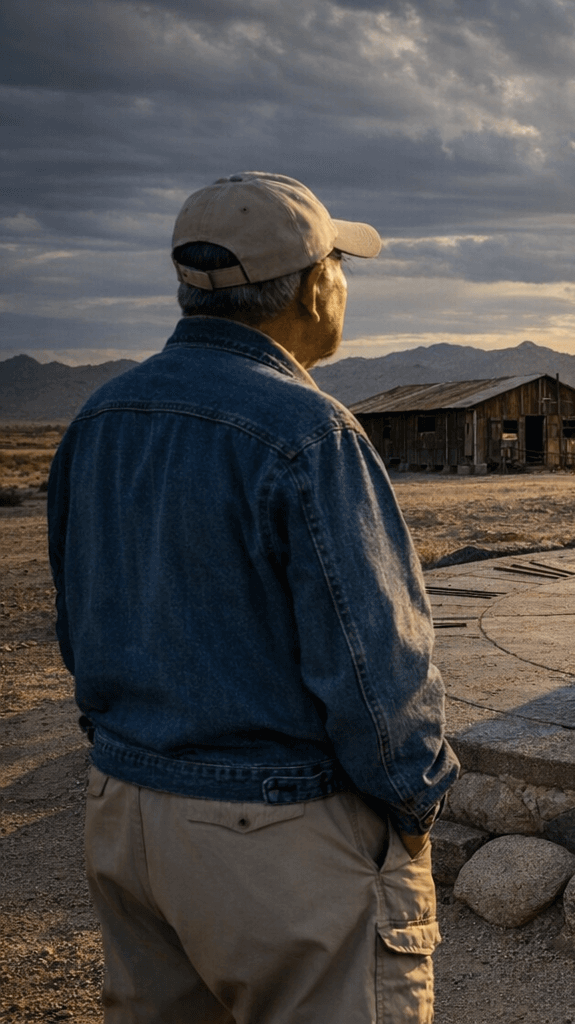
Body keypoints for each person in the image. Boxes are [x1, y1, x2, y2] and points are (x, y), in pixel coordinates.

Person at [47, 172, 459, 1023]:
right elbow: (375, 661)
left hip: (124, 815)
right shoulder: (310, 432)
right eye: (341, 264)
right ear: (315, 286)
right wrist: (411, 807)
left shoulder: (99, 418)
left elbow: (80, 622)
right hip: (274, 834)